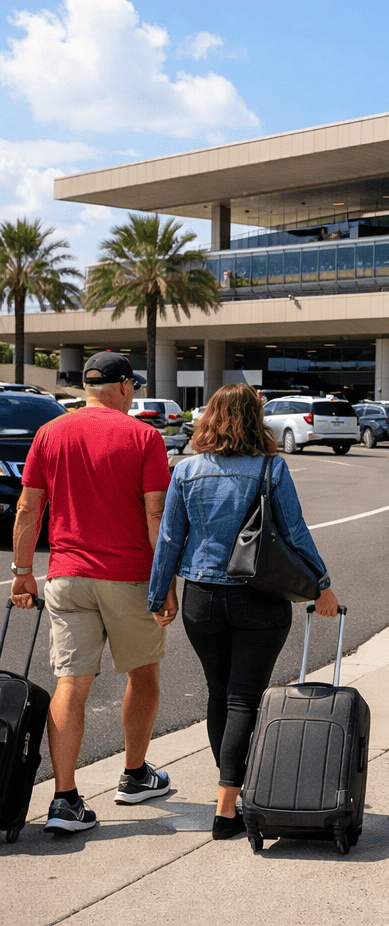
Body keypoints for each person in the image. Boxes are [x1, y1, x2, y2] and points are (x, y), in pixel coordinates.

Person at [149, 384, 339, 840]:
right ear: (257, 421)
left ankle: (230, 792)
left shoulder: (187, 470)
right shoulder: (271, 467)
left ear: (210, 418)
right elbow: (294, 532)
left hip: (200, 598)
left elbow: (170, 539)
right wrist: (322, 586)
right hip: (260, 597)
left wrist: (161, 595)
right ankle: (227, 805)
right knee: (244, 698)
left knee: (220, 693)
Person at [9, 351, 174, 834]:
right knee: (143, 675)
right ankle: (135, 776)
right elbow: (156, 515)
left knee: (71, 683)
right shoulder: (144, 436)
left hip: (66, 575)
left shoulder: (50, 433)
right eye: (134, 387)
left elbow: (27, 507)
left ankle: (64, 800)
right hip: (128, 576)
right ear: (123, 387)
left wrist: (22, 571)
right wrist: (164, 582)